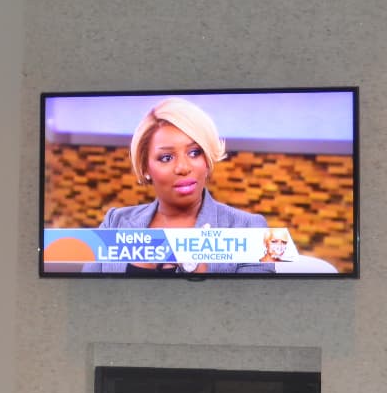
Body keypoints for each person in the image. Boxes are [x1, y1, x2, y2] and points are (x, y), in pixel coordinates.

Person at [83, 97, 273, 274]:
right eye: (166, 157)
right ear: (145, 167)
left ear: (207, 159)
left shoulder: (249, 228)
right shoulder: (115, 222)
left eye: (194, 152)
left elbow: (255, 305)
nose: (183, 168)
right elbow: (87, 297)